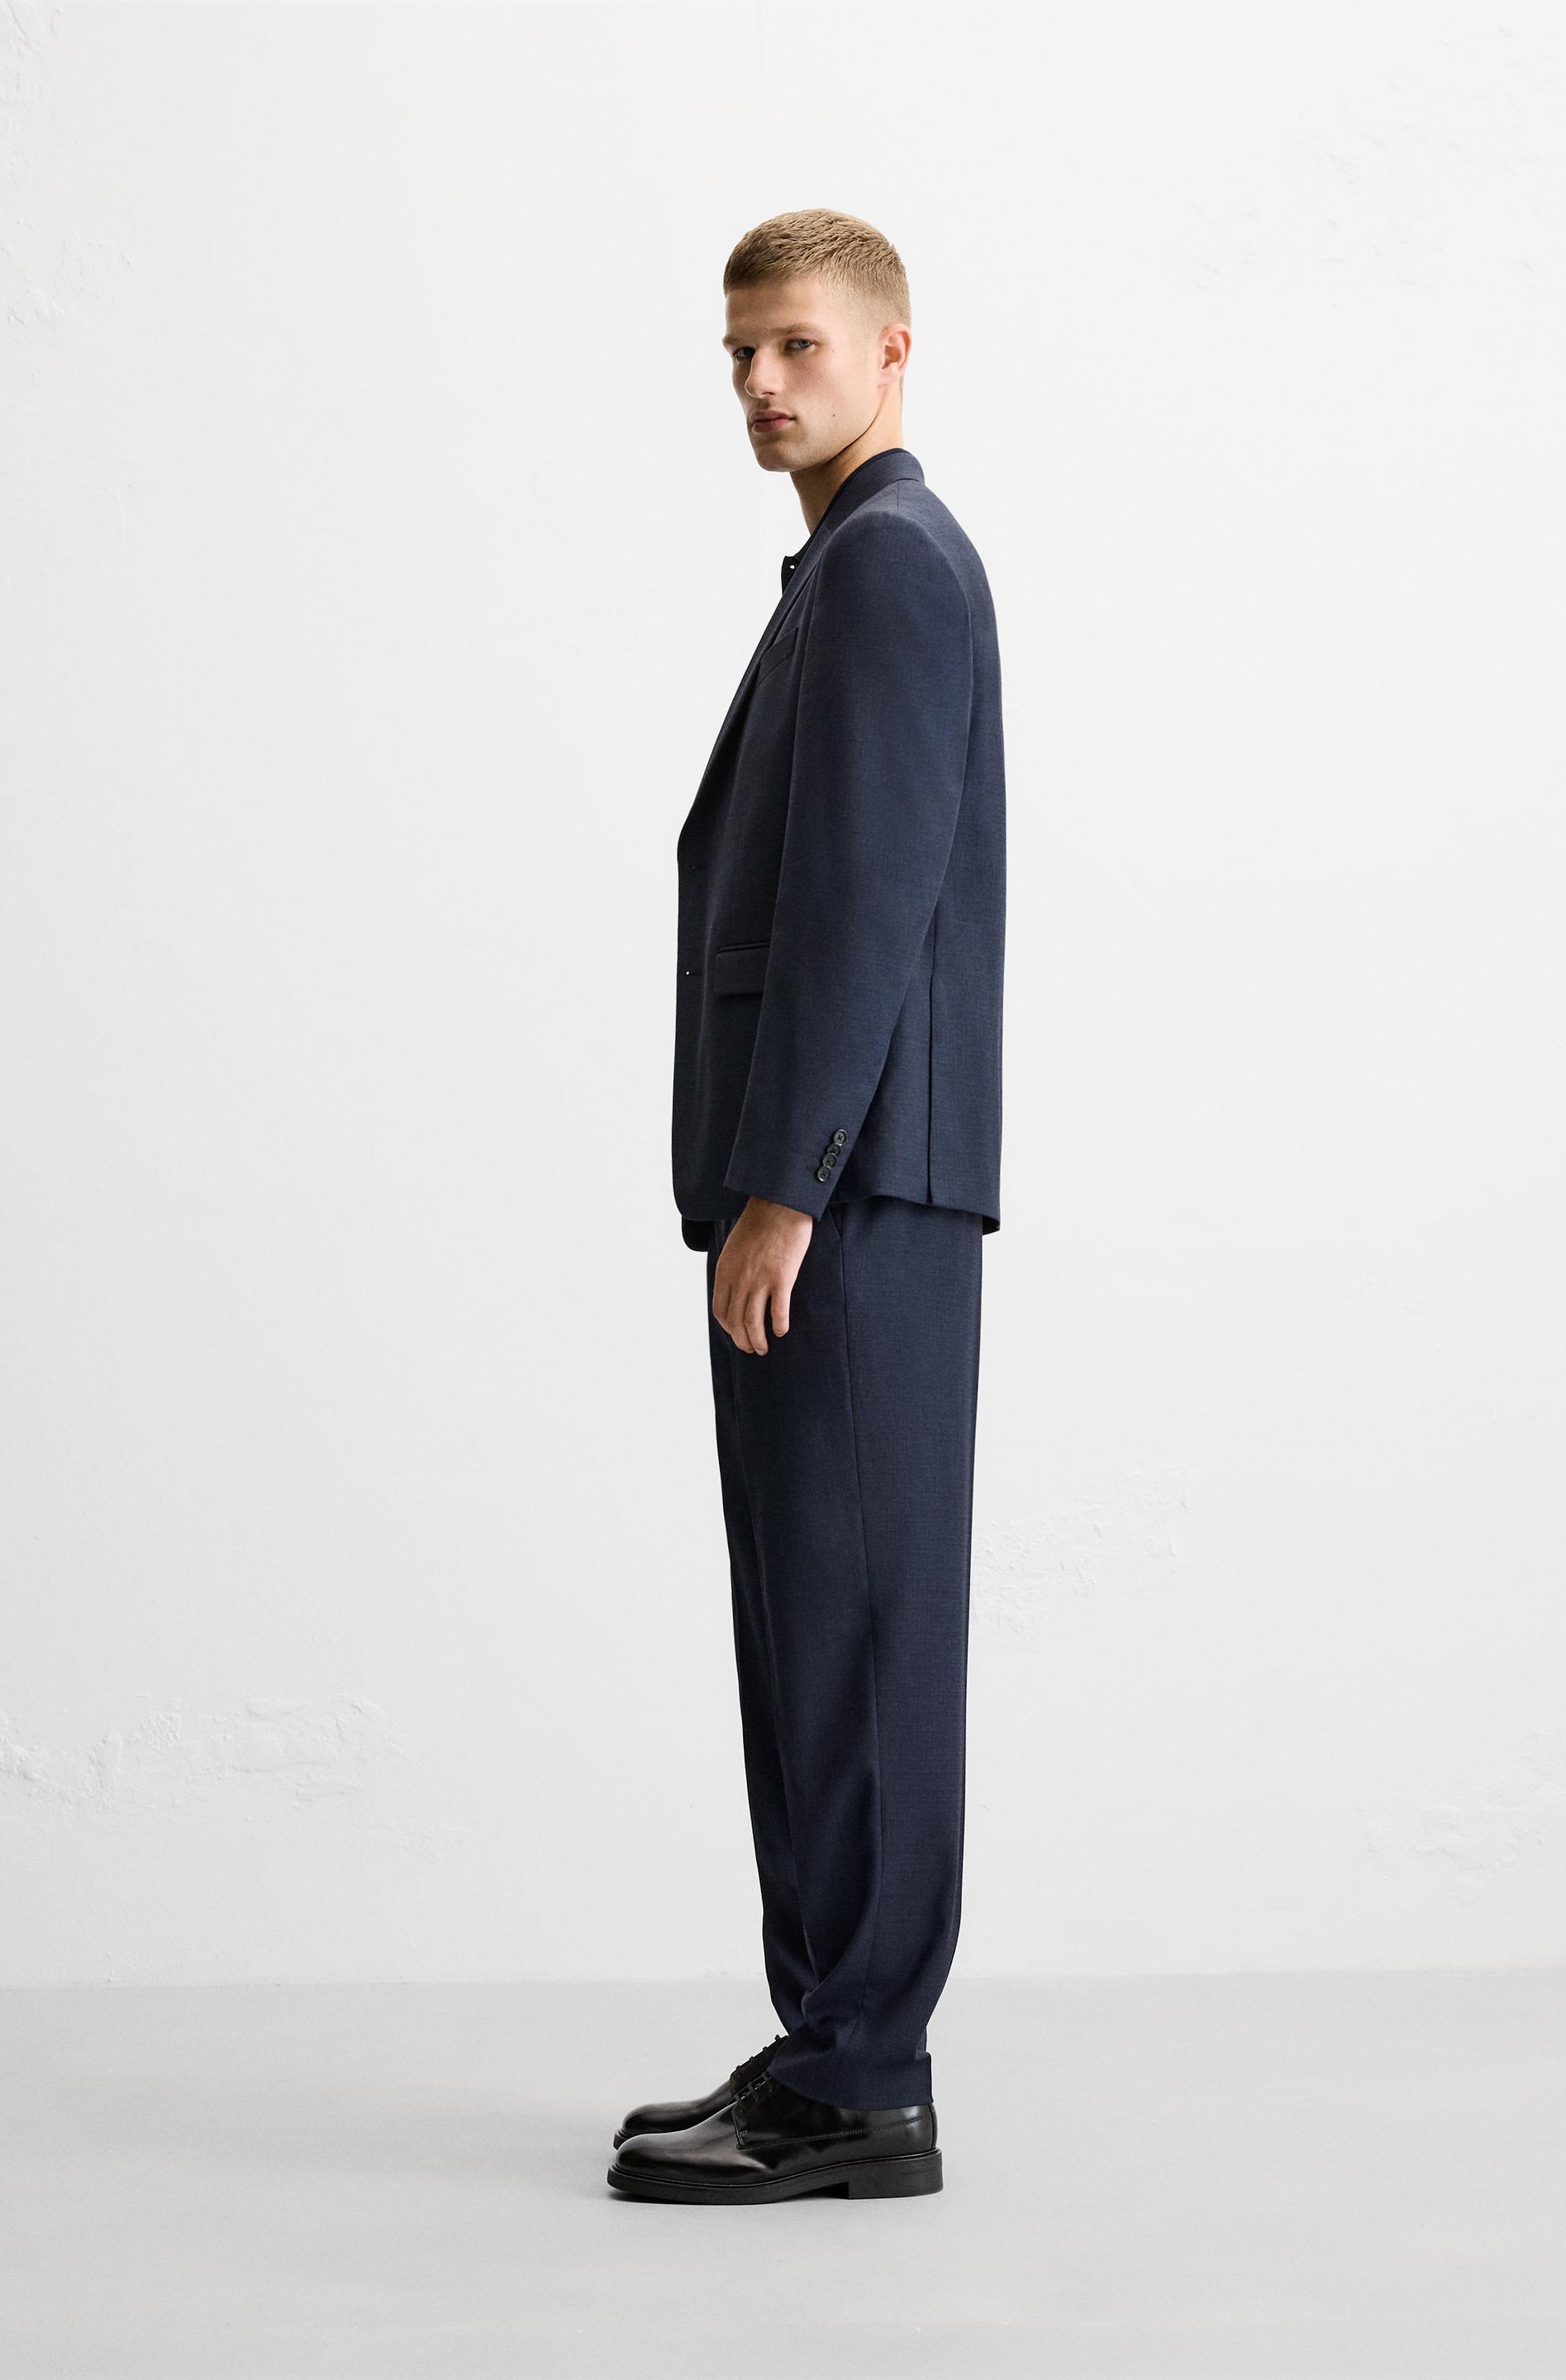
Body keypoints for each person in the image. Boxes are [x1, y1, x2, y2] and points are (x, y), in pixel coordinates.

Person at [608, 209, 1005, 2206]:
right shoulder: (847, 566)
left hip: (849, 1195)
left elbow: (862, 907)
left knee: (855, 1632)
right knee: (808, 1626)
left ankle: (866, 2080)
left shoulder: (894, 567)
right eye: (740, 355)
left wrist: (787, 1192)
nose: (763, 384)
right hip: (830, 1186)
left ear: (891, 351)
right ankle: (832, 2036)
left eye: (799, 348)